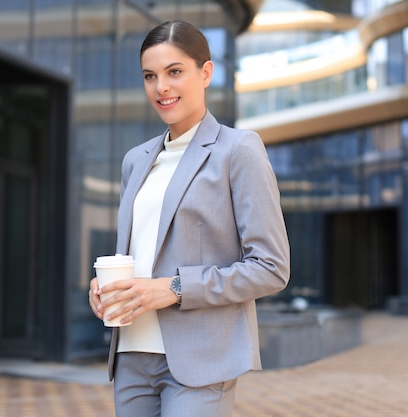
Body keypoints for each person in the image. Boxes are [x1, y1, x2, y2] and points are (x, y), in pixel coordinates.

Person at [88, 19, 290, 417]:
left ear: (206, 72)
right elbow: (138, 253)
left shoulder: (239, 150)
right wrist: (104, 286)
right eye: (150, 76)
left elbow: (271, 268)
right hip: (130, 356)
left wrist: (176, 288)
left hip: (200, 361)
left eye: (174, 72)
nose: (161, 87)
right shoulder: (136, 160)